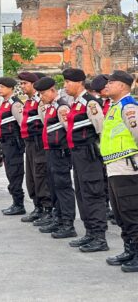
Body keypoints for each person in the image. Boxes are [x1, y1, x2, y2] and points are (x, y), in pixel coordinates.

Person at [62, 68, 108, 252]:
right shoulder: (76, 103)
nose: (65, 86)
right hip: (78, 155)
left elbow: (101, 131)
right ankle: (90, 232)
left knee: (93, 194)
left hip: (89, 155)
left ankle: (99, 237)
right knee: (82, 194)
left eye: (68, 82)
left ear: (79, 82)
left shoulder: (90, 104)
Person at [100, 71, 138, 272]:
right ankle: (129, 249)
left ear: (123, 86)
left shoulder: (128, 107)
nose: (107, 85)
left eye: (111, 82)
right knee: (121, 212)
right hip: (114, 166)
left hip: (127, 167)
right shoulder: (114, 107)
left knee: (132, 212)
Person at [34, 77, 77, 238]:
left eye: (43, 93)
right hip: (51, 151)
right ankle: (58, 218)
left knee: (63, 187)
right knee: (53, 186)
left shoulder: (61, 107)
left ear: (52, 91)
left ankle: (68, 223)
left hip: (60, 153)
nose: (41, 97)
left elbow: (69, 130)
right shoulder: (51, 107)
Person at [18, 72, 52, 225]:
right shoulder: (29, 102)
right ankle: (37, 207)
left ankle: (47, 209)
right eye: (21, 83)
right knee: (31, 177)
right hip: (29, 143)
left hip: (39, 143)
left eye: (25, 83)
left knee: (41, 176)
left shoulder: (40, 102)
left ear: (33, 84)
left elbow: (46, 123)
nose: (22, 86)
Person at [0, 77, 26, 216]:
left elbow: (22, 125)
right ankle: (15, 202)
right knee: (10, 173)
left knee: (15, 173)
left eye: (2, 87)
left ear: (10, 88)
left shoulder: (15, 104)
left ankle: (19, 204)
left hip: (14, 144)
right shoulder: (5, 103)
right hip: (6, 144)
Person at [91, 73, 116, 224]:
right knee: (104, 180)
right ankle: (107, 206)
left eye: (102, 90)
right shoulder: (101, 103)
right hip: (103, 147)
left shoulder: (117, 104)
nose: (101, 93)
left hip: (118, 150)